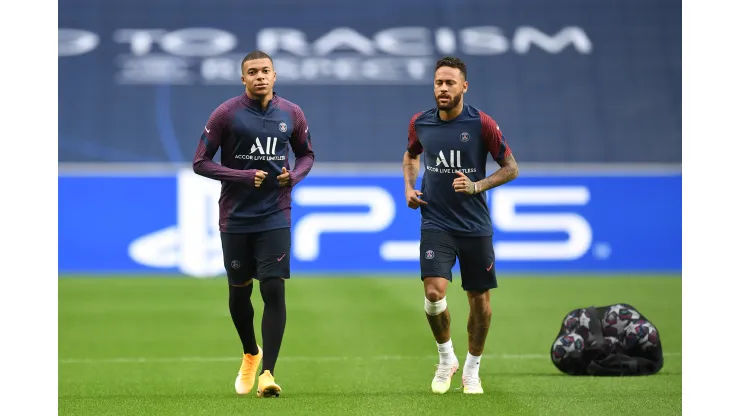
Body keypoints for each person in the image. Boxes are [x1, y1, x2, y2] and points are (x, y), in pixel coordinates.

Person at [192, 50, 315, 398]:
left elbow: (306, 154)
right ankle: (250, 351)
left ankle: (268, 373)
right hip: (235, 216)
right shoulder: (226, 114)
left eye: (265, 71)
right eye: (252, 72)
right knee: (239, 291)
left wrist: (295, 176)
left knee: (273, 288)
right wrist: (241, 176)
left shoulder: (292, 113)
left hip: (276, 213)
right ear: (243, 78)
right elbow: (200, 162)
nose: (259, 76)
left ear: (274, 76)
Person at [402, 56, 519, 395]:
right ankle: (446, 358)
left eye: (450, 83)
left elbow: (511, 168)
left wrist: (476, 186)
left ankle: (472, 368)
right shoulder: (420, 123)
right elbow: (411, 155)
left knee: (478, 300)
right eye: (438, 82)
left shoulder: (482, 124)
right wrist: (409, 187)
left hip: (474, 225)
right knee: (434, 293)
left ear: (463, 86)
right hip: (436, 221)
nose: (443, 88)